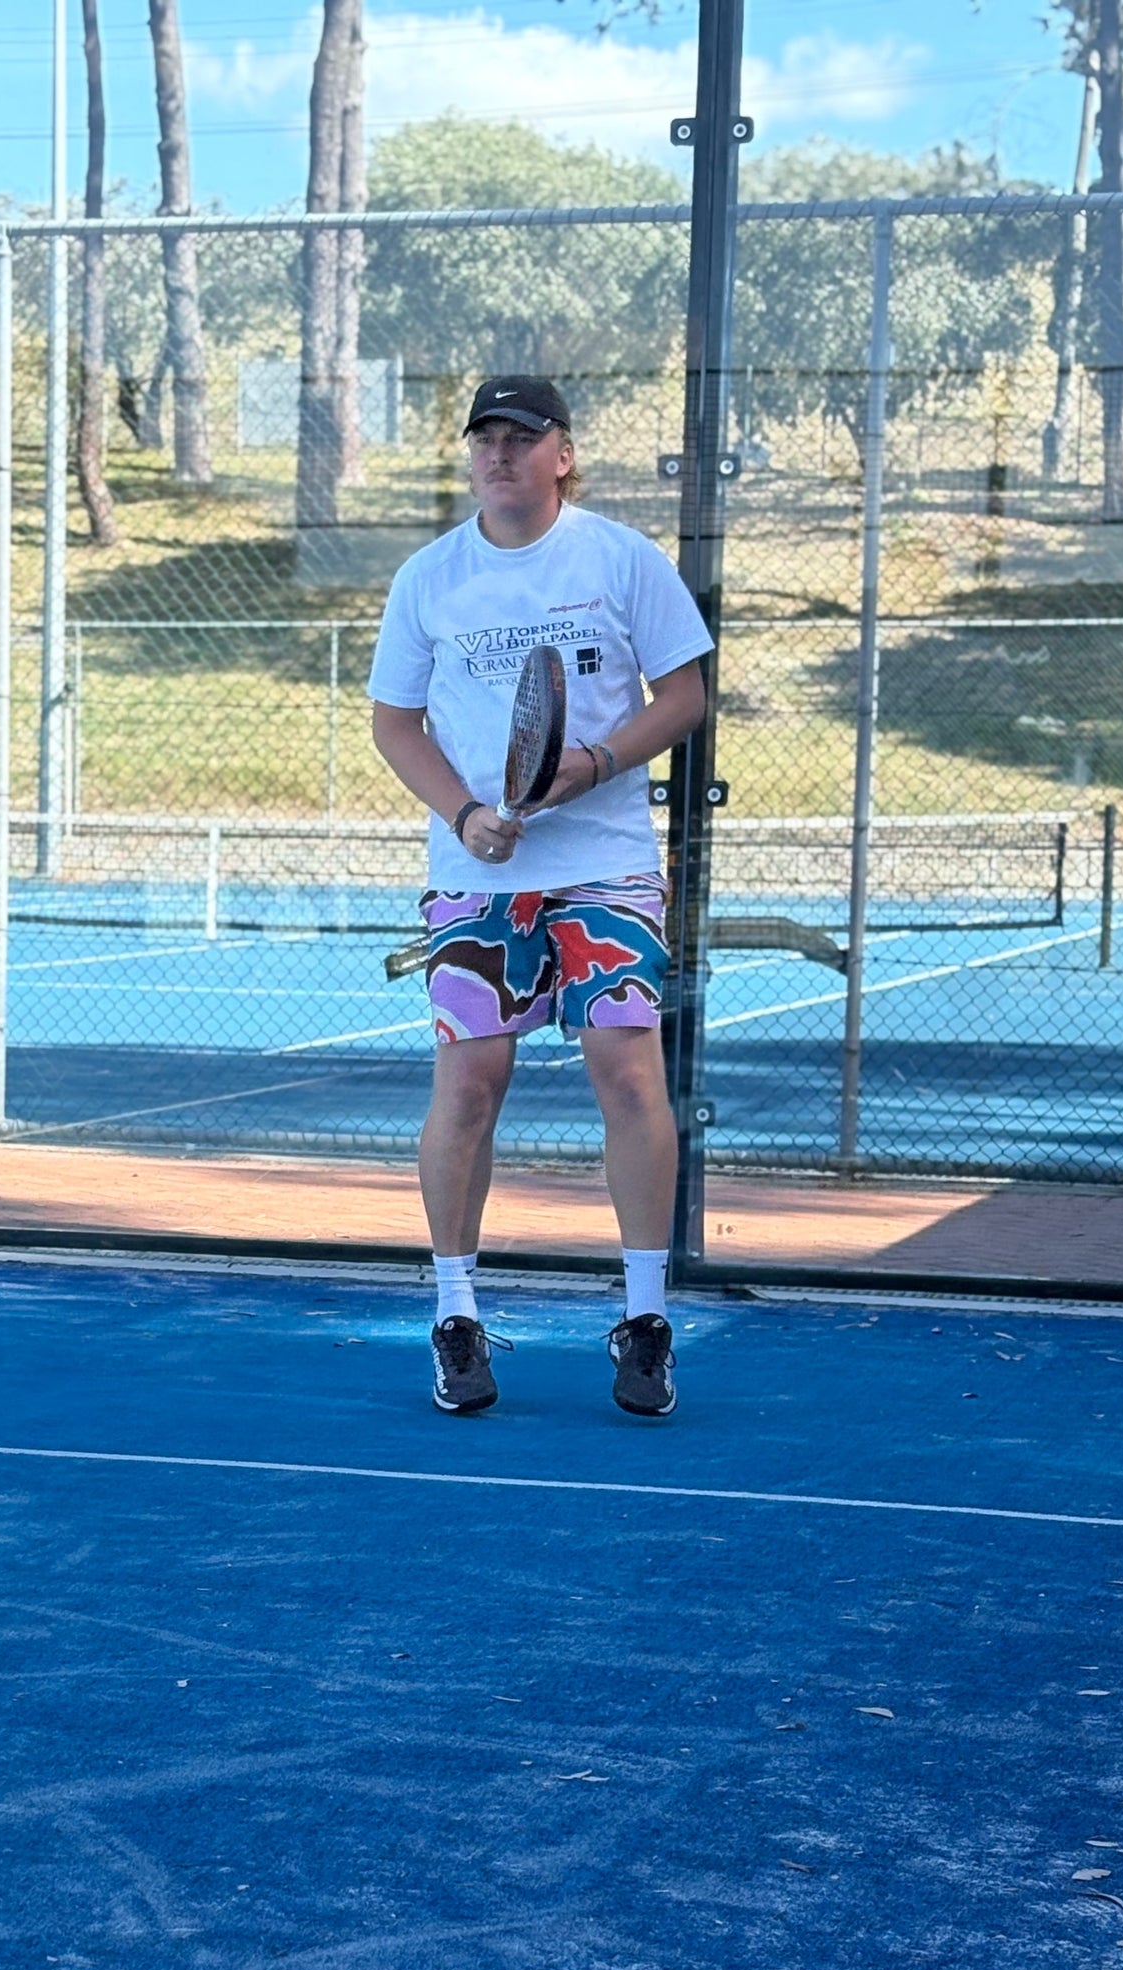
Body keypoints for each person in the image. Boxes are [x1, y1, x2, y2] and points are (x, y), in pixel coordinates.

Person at [367, 376, 712, 1419]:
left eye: (523, 437)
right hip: (476, 876)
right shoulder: (429, 578)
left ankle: (645, 1320)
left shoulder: (621, 559)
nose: (500, 453)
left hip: (606, 865)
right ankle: (455, 1316)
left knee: (626, 1073)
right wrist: (467, 814)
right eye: (486, 437)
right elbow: (394, 724)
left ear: (562, 455)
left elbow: (685, 694)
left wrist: (598, 762)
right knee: (468, 1088)